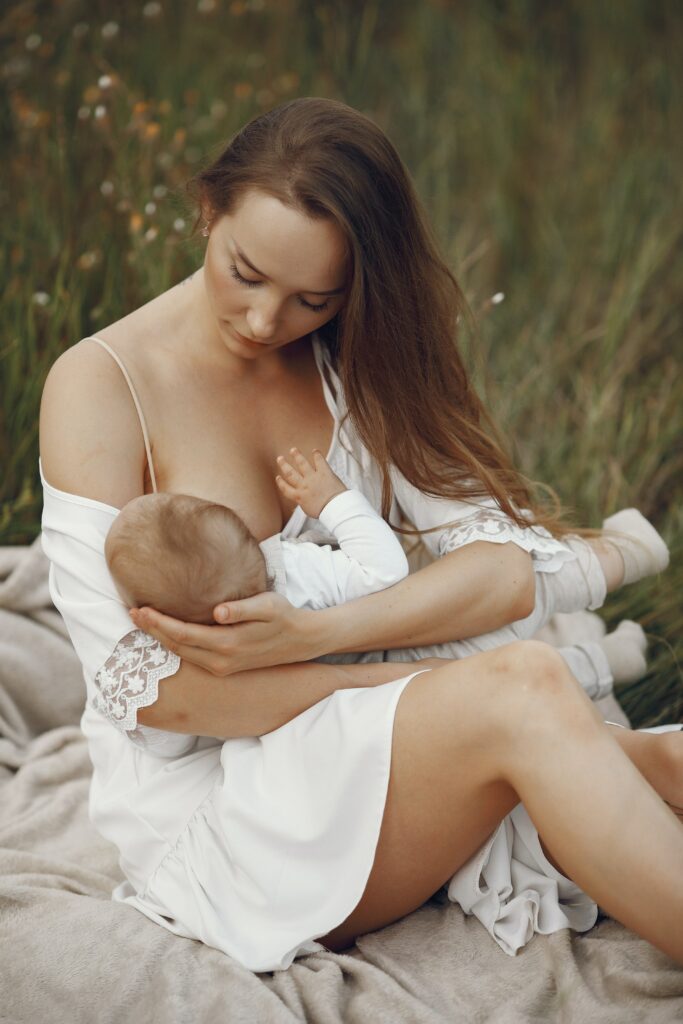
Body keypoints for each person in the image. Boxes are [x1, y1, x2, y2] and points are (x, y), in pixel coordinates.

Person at [38, 96, 683, 973]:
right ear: (207, 210)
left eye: (313, 297)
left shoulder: (357, 354)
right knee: (526, 688)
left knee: (627, 737)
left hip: (364, 741)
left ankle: (611, 754)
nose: (267, 322)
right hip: (224, 813)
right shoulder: (101, 385)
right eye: (245, 271)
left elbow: (500, 572)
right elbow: (164, 697)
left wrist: (321, 632)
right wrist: (433, 678)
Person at [105, 444, 665, 697]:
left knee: (514, 682)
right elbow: (383, 569)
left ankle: (609, 662)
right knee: (542, 585)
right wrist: (334, 503)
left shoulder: (220, 644)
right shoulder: (293, 573)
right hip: (421, 642)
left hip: (396, 689)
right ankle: (632, 554)